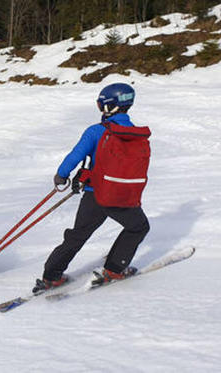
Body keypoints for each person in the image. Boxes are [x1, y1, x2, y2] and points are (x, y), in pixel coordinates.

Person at [33, 83, 151, 294]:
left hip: (94, 195)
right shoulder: (135, 134)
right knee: (138, 227)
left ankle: (51, 277)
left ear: (109, 107)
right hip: (122, 198)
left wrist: (62, 175)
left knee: (78, 235)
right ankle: (114, 269)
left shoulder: (97, 131)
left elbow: (76, 155)